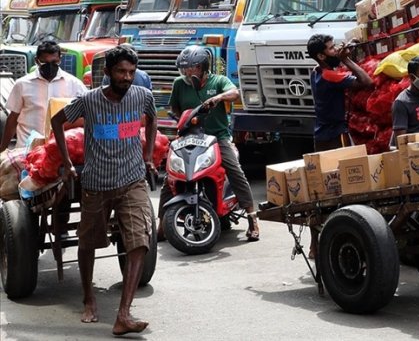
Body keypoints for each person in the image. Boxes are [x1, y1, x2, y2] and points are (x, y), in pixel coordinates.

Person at [50, 45, 156, 336]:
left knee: (139, 242)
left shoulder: (141, 96)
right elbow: (57, 122)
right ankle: (88, 298)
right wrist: (68, 162)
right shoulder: (88, 101)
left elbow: (153, 118)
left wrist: (147, 155)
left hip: (133, 179)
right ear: (108, 72)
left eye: (131, 72)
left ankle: (123, 314)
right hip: (97, 184)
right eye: (121, 71)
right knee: (88, 243)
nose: (126, 77)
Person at [159, 45, 259, 241]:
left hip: (217, 137)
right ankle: (162, 224)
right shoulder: (179, 83)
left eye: (191, 68)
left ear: (203, 67)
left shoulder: (218, 80)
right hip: (190, 135)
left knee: (235, 170)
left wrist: (218, 97)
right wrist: (185, 121)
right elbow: (175, 108)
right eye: (184, 68)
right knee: (170, 177)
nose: (187, 72)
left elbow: (235, 93)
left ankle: (252, 217)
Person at [0, 41, 87, 153]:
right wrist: (3, 149)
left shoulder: (75, 84)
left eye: (54, 62)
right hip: (26, 149)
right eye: (45, 62)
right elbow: (12, 119)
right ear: (37, 61)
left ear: (60, 59)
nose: (50, 66)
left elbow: (87, 115)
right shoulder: (22, 84)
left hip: (59, 150)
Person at [307, 34, 373, 152]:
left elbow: (329, 62)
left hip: (321, 134)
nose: (336, 50)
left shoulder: (315, 71)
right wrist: (345, 59)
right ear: (321, 56)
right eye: (332, 48)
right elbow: (367, 81)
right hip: (335, 136)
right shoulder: (330, 77)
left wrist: (347, 48)